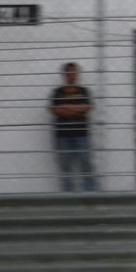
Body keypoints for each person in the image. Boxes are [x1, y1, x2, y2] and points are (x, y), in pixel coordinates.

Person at [49, 62, 98, 192]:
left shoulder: (84, 91)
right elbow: (54, 110)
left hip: (82, 135)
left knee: (86, 165)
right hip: (63, 136)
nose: (72, 75)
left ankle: (90, 195)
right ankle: (68, 196)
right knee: (66, 168)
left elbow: (87, 107)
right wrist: (76, 109)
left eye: (74, 72)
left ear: (78, 74)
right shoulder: (57, 92)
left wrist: (66, 107)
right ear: (64, 75)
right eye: (69, 73)